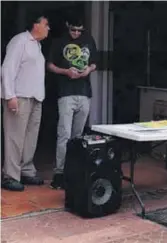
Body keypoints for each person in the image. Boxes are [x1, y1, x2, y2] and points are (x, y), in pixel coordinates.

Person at [47, 16, 97, 189]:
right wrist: (65, 71)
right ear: (68, 27)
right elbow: (50, 65)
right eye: (73, 30)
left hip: (84, 93)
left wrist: (88, 70)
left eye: (79, 30)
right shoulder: (59, 42)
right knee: (64, 135)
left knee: (78, 137)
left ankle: (74, 172)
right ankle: (59, 173)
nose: (76, 33)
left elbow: (94, 63)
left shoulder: (89, 40)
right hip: (66, 93)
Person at [1, 14, 50, 191]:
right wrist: (9, 96)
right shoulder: (20, 41)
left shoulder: (37, 45)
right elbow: (7, 68)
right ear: (35, 25)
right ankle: (10, 176)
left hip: (36, 97)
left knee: (30, 138)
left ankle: (26, 170)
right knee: (15, 137)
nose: (48, 28)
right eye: (46, 25)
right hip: (19, 96)